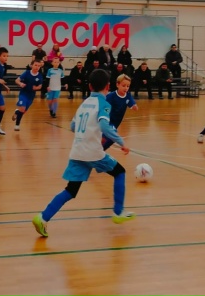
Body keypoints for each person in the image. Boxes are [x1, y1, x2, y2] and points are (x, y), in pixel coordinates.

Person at [32, 69, 136, 237]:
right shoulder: (104, 104)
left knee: (71, 190)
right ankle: (118, 212)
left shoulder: (84, 103)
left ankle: (42, 217)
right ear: (108, 86)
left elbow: (73, 126)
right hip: (93, 152)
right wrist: (121, 142)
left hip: (77, 151)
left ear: (89, 86)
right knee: (119, 172)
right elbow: (104, 126)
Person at [103, 74, 138, 151]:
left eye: (128, 86)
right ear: (117, 84)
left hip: (116, 123)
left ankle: (100, 151)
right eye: (123, 85)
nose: (126, 88)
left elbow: (132, 104)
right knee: (110, 135)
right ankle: (98, 151)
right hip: (107, 121)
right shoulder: (111, 96)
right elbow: (104, 107)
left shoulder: (128, 95)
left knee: (110, 139)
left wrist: (134, 106)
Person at [11, 59, 43, 131]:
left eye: (39, 66)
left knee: (23, 111)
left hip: (31, 95)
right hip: (23, 93)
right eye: (35, 65)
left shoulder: (39, 76)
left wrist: (36, 88)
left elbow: (40, 86)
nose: (37, 67)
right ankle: (17, 125)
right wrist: (20, 83)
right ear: (32, 65)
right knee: (22, 108)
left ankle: (16, 112)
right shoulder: (27, 73)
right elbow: (17, 80)